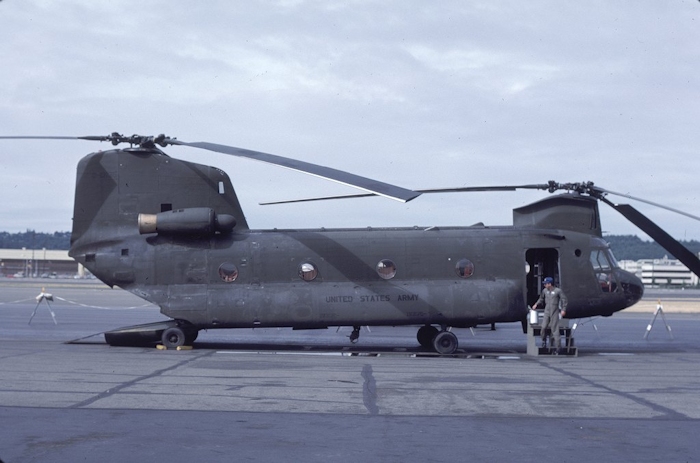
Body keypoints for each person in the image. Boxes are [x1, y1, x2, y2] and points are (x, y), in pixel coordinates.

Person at [532, 277, 568, 353]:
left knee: (555, 329)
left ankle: (558, 347)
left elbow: (564, 300)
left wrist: (563, 309)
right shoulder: (545, 291)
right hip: (547, 311)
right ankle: (543, 340)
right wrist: (536, 304)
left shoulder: (558, 291)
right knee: (543, 327)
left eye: (546, 284)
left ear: (550, 284)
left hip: (554, 311)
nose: (544, 285)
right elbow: (541, 299)